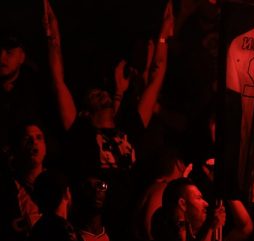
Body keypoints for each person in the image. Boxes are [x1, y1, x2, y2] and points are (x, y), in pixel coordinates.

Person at [44, 0, 172, 177]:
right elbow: (58, 79)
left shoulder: (129, 126)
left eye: (102, 92)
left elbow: (156, 77)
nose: (103, 93)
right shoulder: (80, 134)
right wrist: (52, 31)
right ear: (85, 113)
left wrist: (164, 34)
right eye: (95, 95)